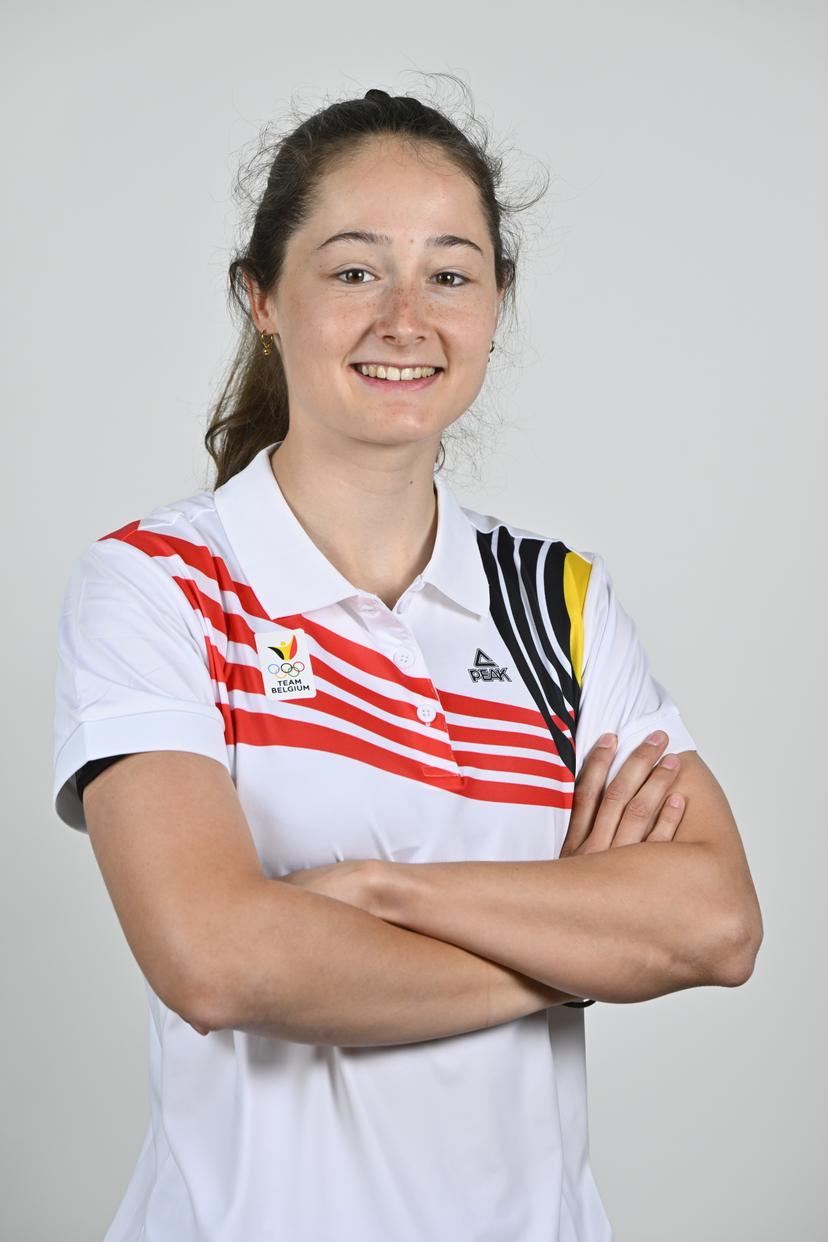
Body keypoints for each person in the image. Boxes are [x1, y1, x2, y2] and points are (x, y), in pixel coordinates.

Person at [52, 82, 762, 1242]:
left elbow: (716, 925)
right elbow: (216, 961)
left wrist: (382, 894)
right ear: (262, 297)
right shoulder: (158, 584)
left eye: (450, 274)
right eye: (353, 271)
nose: (405, 318)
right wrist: (577, 949)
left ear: (495, 306)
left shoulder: (557, 601)